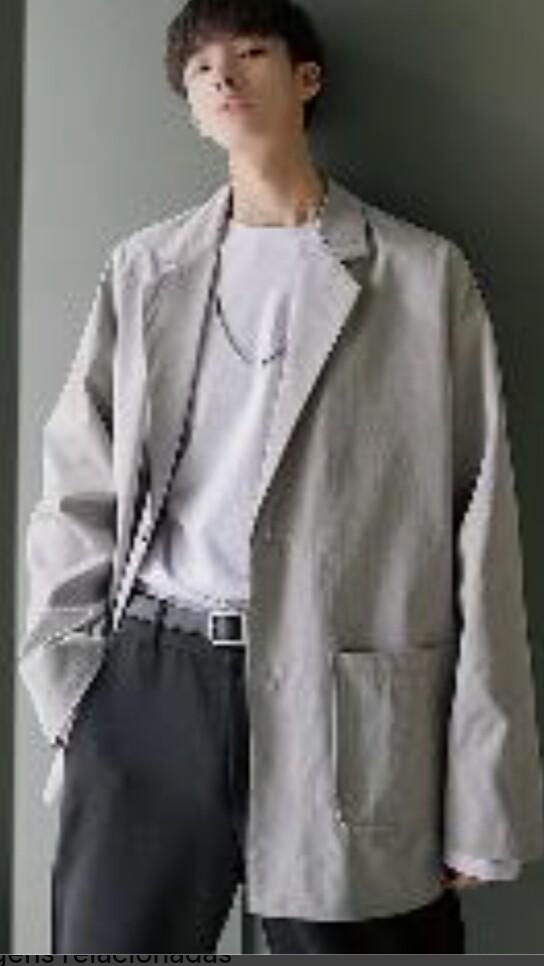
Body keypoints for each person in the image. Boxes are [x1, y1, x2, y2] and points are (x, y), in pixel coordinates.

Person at [19, 0, 544, 954]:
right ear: (190, 109)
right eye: (199, 69)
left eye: (251, 52)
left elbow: (483, 536)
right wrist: (72, 690)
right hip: (152, 682)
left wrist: (481, 790)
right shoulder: (144, 270)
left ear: (307, 78)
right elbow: (75, 486)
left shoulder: (423, 278)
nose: (223, 76)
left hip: (345, 699)